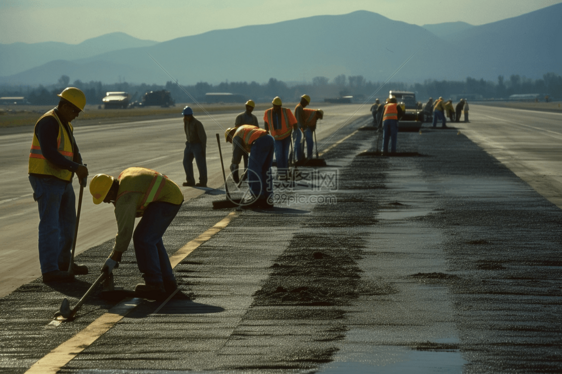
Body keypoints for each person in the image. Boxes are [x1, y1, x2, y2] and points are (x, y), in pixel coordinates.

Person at [90, 167, 184, 297]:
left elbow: (125, 232)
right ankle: (168, 282)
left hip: (167, 200)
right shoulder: (125, 177)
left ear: (111, 190)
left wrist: (114, 257)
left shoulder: (125, 197)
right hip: (170, 194)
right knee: (152, 239)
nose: (106, 202)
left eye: (106, 198)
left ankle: (154, 283)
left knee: (143, 239)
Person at [28, 87, 89, 283]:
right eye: (74, 111)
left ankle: (64, 262)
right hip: (46, 179)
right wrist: (74, 167)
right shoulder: (48, 122)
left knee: (68, 225)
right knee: (50, 227)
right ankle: (50, 270)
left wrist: (79, 166)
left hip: (63, 179)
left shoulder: (65, 123)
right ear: (63, 106)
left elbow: (73, 148)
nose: (76, 116)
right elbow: (49, 153)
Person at [225, 126, 275, 208]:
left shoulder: (236, 135)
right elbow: (252, 159)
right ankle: (267, 198)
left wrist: (234, 167)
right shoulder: (245, 131)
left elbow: (236, 155)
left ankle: (256, 196)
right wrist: (247, 171)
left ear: (230, 135)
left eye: (229, 141)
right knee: (265, 170)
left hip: (259, 141)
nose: (231, 143)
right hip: (269, 139)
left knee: (254, 171)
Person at [263, 96, 297, 179]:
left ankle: (284, 172)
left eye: (278, 106)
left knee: (285, 154)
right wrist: (266, 133)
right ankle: (281, 173)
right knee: (279, 154)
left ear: (281, 106)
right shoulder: (268, 112)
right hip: (276, 137)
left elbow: (294, 123)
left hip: (286, 136)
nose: (276, 108)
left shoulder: (286, 111)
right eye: (275, 106)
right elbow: (266, 124)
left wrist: (295, 132)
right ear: (273, 105)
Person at [182, 106, 207, 187]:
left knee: (200, 163)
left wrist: (203, 149)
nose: (185, 117)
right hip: (189, 144)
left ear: (190, 116)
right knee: (186, 162)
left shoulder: (197, 123)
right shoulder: (185, 121)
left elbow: (203, 137)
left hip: (197, 145)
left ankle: (203, 182)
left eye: (186, 116)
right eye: (184, 116)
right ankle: (190, 181)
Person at [234, 100, 259, 173]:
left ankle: (246, 173)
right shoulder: (240, 117)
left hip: (249, 142)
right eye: (248, 107)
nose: (250, 108)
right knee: (236, 158)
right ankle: (235, 171)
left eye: (251, 107)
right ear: (246, 107)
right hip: (240, 141)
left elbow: (257, 129)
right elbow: (237, 130)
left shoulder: (254, 118)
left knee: (247, 159)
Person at [293, 94, 310, 164]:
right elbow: (299, 120)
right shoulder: (299, 108)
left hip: (299, 128)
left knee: (300, 144)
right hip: (299, 129)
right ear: (304, 101)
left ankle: (300, 157)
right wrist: (301, 128)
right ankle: (298, 159)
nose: (306, 105)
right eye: (306, 103)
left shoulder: (299, 107)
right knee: (298, 144)